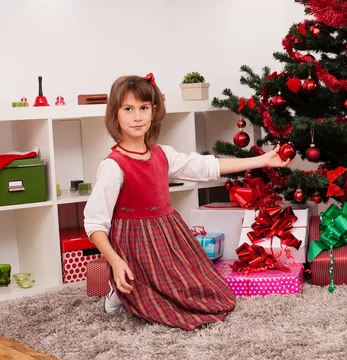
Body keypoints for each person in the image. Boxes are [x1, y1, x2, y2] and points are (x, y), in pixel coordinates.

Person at [84, 73, 292, 330]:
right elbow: (95, 224)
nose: (137, 116)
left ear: (153, 111)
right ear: (115, 114)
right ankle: (121, 290)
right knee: (167, 309)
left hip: (167, 237)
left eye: (143, 108)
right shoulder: (113, 166)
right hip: (134, 242)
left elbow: (208, 166)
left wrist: (262, 160)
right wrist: (115, 261)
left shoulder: (162, 154)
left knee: (215, 297)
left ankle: (134, 287)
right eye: (128, 109)